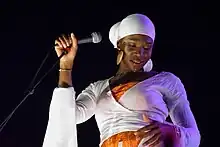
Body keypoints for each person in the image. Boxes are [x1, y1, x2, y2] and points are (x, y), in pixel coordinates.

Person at [42, 14, 201, 147]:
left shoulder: (165, 81)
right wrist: (66, 66)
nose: (140, 53)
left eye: (147, 47)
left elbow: (194, 137)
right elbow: (65, 118)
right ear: (119, 46)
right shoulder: (98, 88)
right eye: (132, 45)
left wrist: (170, 131)